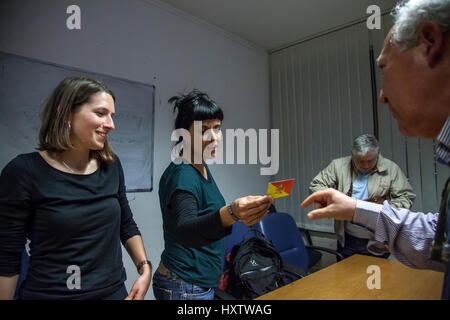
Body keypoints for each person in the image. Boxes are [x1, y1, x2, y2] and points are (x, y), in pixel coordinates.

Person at [301, 0, 450, 299]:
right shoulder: (339, 165)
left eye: (384, 68)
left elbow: (413, 208)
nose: (381, 96)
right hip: (349, 241)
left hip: (377, 245)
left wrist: (380, 206)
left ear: (430, 43)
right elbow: (439, 239)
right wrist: (355, 209)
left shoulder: (391, 168)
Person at [0, 76, 151, 300]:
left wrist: (144, 267)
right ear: (66, 113)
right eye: (100, 113)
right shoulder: (23, 171)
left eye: (112, 116)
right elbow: (7, 256)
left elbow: (126, 224)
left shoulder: (111, 165)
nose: (111, 124)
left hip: (113, 293)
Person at [153, 89, 273, 300]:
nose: (214, 137)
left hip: (197, 283)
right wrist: (232, 213)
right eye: (204, 130)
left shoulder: (201, 167)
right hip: (184, 286)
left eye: (217, 128)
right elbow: (186, 229)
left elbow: (207, 222)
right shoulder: (184, 173)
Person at [309, 133, 415, 259]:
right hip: (347, 238)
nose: (365, 166)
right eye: (360, 161)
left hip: (378, 240)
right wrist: (334, 200)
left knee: (377, 277)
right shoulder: (338, 166)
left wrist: (384, 208)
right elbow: (316, 185)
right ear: (352, 154)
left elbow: (406, 197)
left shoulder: (391, 169)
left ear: (377, 154)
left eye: (370, 161)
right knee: (345, 277)